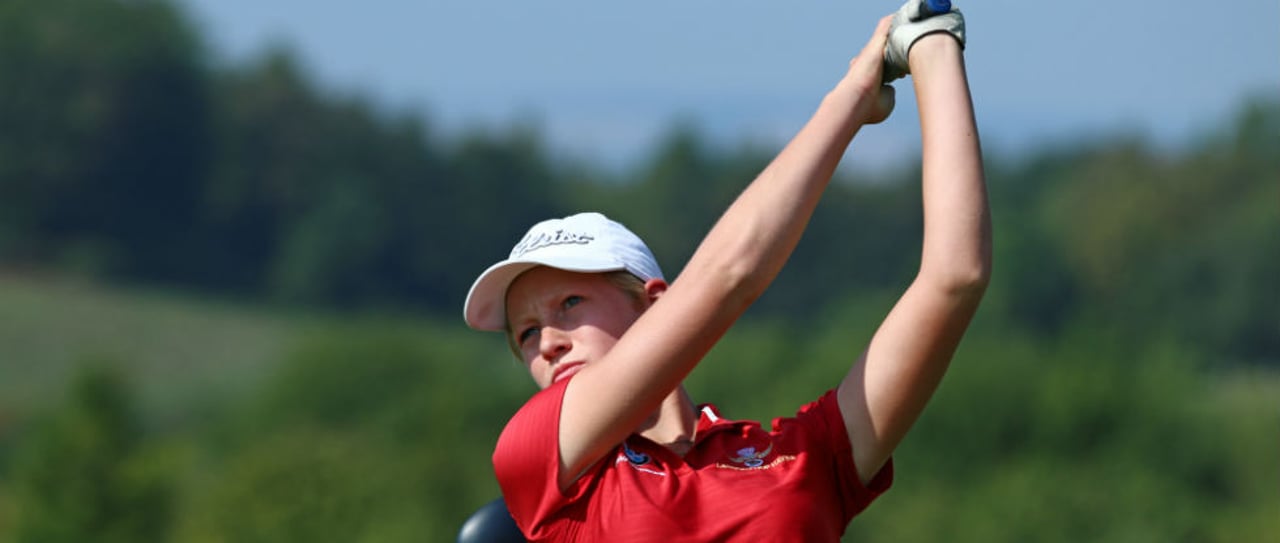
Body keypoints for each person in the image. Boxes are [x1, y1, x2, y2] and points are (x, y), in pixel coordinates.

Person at [461, 3, 989, 541]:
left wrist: (934, 41)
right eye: (525, 333)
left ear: (653, 304)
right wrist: (849, 100)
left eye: (569, 305)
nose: (546, 342)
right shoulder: (538, 456)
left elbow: (955, 277)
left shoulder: (801, 458)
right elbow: (731, 275)